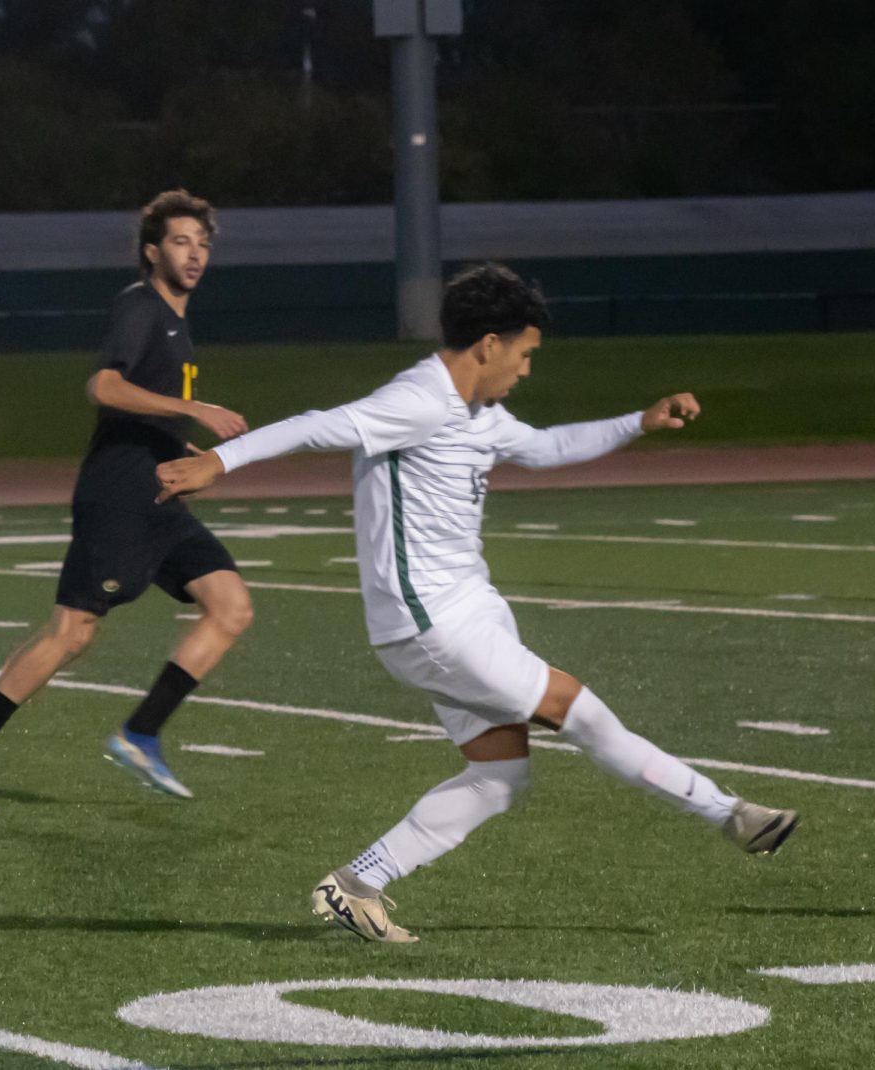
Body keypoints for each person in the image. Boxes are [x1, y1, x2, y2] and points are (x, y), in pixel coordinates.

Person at [156, 262, 798, 943]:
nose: (525, 369)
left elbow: (549, 447)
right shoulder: (420, 400)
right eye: (523, 353)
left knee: (500, 776)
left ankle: (357, 882)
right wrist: (217, 463)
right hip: (433, 626)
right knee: (585, 716)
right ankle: (732, 815)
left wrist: (639, 420)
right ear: (489, 344)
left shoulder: (479, 414)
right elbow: (319, 425)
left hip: (467, 615)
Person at [0, 189, 254, 814]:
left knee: (231, 607)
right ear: (153, 251)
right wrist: (195, 409)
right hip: (119, 498)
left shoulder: (178, 324)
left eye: (203, 243)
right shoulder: (140, 306)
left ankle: (141, 733)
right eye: (181, 242)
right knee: (72, 634)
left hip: (162, 498)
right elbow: (105, 385)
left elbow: (151, 413)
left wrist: (198, 462)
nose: (195, 254)